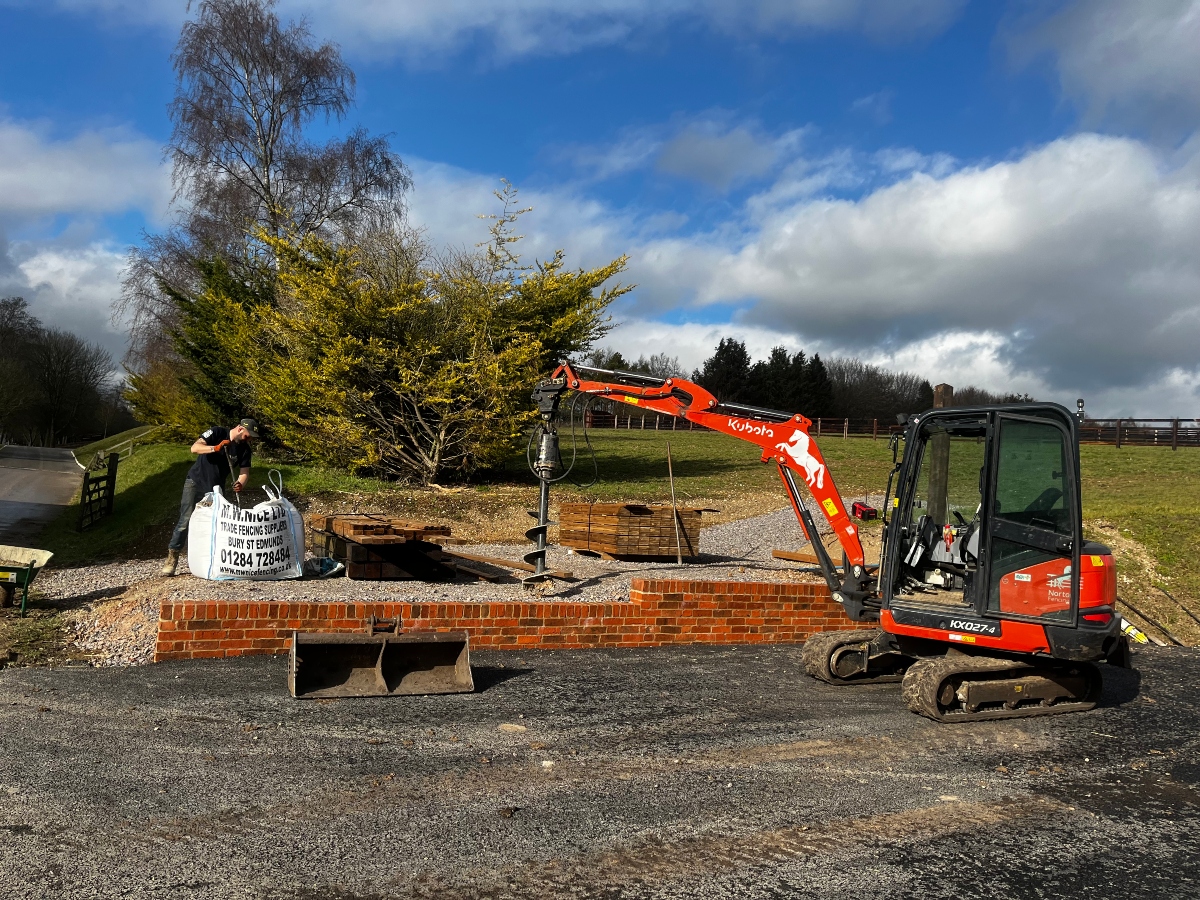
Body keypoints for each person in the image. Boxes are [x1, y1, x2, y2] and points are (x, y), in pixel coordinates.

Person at [162, 418, 259, 576]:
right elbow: (195, 448)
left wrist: (240, 484)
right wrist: (216, 447)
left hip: (216, 488)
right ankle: (172, 557)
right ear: (240, 429)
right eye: (248, 436)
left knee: (216, 524)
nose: (249, 440)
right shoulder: (217, 432)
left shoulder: (244, 449)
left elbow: (244, 473)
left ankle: (212, 560)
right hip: (195, 482)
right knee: (185, 520)